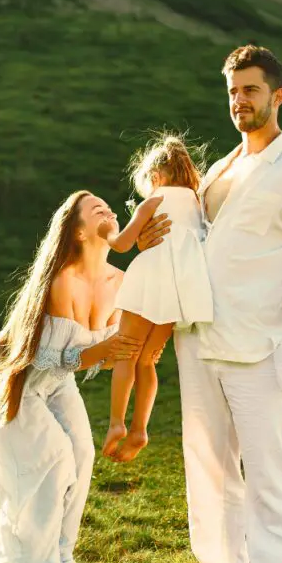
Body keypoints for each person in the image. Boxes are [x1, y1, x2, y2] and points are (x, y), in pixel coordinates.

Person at [137, 45, 282, 563]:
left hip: (260, 348)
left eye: (251, 89)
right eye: (233, 91)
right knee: (208, 478)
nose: (240, 100)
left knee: (270, 481)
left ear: (277, 96)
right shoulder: (219, 170)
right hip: (197, 342)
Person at [0, 190, 147, 563]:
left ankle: (62, 555)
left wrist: (130, 353)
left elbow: (100, 357)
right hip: (13, 373)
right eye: (97, 210)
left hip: (57, 379)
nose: (109, 211)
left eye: (110, 208)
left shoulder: (120, 281)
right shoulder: (62, 281)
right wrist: (103, 351)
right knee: (55, 457)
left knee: (82, 453)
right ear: (77, 232)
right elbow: (46, 359)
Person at [98, 133, 214, 463]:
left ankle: (117, 423)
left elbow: (121, 244)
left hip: (149, 279)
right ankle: (140, 429)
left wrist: (106, 230)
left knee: (126, 351)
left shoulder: (154, 200)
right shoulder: (197, 202)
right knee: (147, 359)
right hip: (178, 290)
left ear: (156, 176)